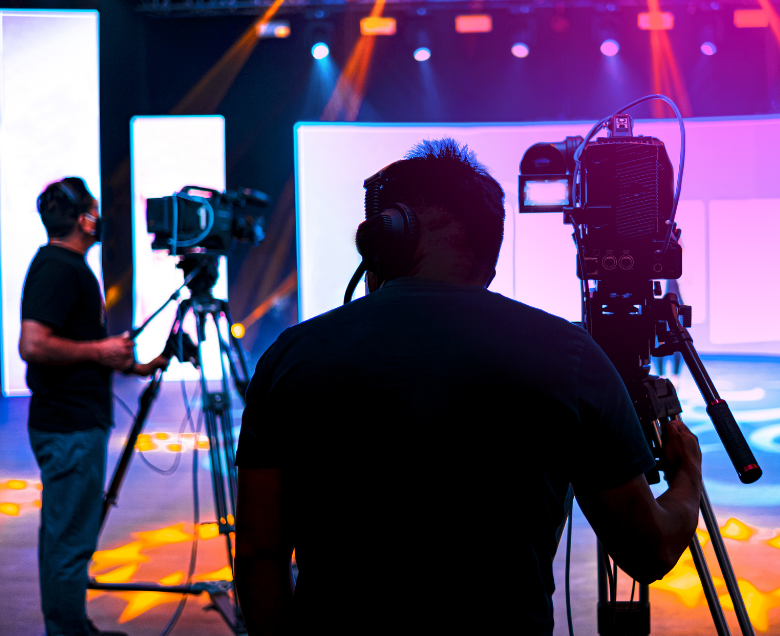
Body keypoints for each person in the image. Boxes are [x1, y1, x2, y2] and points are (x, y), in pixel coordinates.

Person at [233, 140, 702, 635]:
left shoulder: (290, 356)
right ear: (490, 257)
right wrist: (687, 476)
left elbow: (261, 556)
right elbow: (648, 552)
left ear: (391, 234)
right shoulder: (572, 356)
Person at [19, 178, 169, 636]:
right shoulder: (60, 267)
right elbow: (34, 343)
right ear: (84, 219)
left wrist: (132, 364)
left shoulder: (63, 265)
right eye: (95, 210)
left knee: (64, 535)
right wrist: (101, 352)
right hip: (70, 428)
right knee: (69, 541)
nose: (100, 218)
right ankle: (67, 632)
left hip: (70, 423)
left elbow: (76, 346)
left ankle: (70, 626)